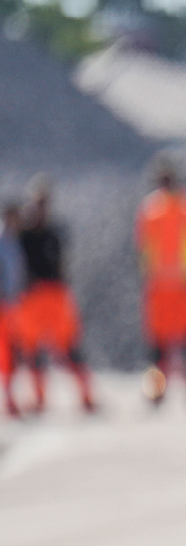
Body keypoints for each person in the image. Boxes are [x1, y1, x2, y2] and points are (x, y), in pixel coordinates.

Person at [135, 157, 186, 404]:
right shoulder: (150, 210)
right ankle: (157, 391)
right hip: (159, 287)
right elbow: (143, 248)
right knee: (158, 346)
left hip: (185, 285)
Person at [14, 176, 97, 414]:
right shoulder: (24, 235)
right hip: (31, 297)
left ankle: (86, 395)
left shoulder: (55, 232)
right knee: (32, 351)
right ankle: (39, 398)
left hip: (56, 294)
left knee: (69, 348)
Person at [0, 202, 23, 417]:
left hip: (11, 305)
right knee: (6, 354)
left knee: (10, 356)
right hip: (4, 304)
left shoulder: (15, 240)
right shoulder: (2, 241)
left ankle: (10, 399)